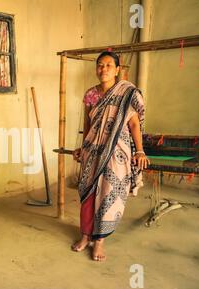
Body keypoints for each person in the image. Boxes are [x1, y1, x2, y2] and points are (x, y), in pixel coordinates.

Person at [71, 51, 150, 262]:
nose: (103, 69)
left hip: (117, 152)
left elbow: (134, 124)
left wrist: (140, 150)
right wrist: (82, 147)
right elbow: (88, 126)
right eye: (99, 65)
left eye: (108, 65)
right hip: (92, 151)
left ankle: (99, 241)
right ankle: (86, 236)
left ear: (117, 69)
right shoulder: (90, 95)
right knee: (88, 194)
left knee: (108, 194)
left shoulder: (128, 93)